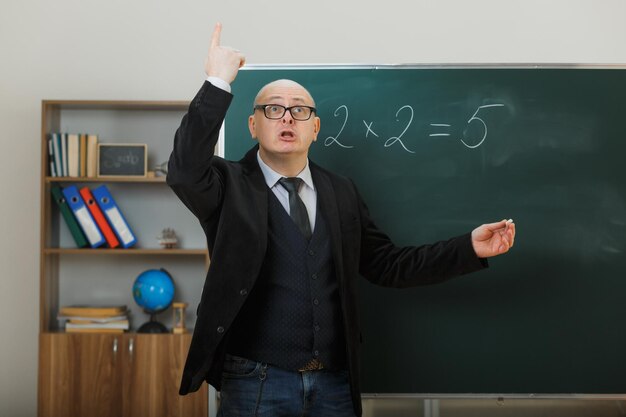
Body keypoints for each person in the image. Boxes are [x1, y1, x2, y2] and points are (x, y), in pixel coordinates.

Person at [167, 23, 516, 417]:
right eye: (273, 109)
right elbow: (182, 172)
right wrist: (217, 81)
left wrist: (468, 247)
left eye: (299, 110)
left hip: (334, 383)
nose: (287, 118)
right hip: (255, 382)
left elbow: (388, 265)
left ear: (314, 128)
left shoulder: (341, 192)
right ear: (253, 125)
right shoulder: (227, 185)